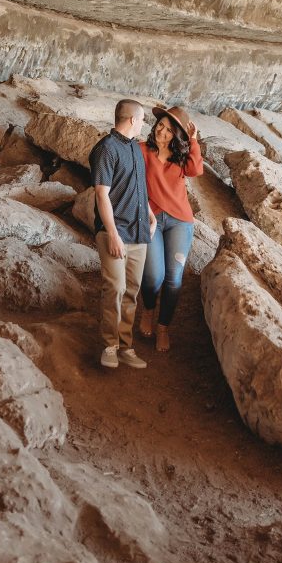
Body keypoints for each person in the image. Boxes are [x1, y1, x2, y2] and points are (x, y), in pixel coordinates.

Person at [88, 99, 157, 370]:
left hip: (139, 231)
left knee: (131, 291)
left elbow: (138, 188)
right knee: (114, 288)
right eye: (142, 120)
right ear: (131, 120)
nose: (143, 124)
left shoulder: (135, 149)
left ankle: (126, 346)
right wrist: (113, 234)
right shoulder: (106, 149)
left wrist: (150, 215)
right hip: (115, 232)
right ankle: (109, 345)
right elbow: (101, 194)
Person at [138, 106, 203, 352]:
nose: (161, 131)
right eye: (159, 126)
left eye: (168, 130)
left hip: (180, 221)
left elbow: (196, 170)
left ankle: (163, 327)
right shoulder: (142, 150)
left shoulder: (182, 158)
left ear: (177, 136)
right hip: (152, 218)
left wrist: (194, 140)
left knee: (173, 279)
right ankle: (148, 310)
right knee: (154, 276)